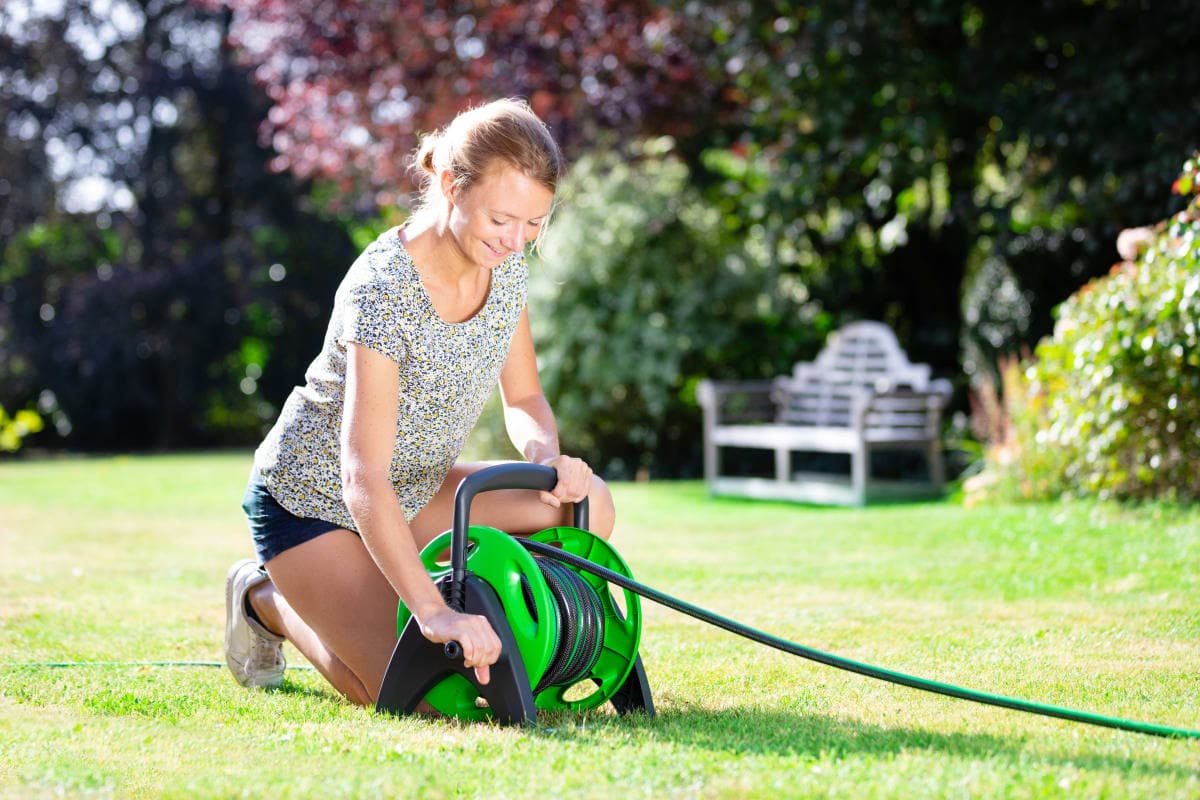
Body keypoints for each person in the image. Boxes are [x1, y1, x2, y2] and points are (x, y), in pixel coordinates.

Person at [225, 98, 614, 706]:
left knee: (588, 499)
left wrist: (546, 456)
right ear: (452, 187)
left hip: (415, 490)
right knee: (421, 697)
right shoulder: (383, 290)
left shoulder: (505, 269)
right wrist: (434, 615)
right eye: (502, 220)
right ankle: (264, 598)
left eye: (534, 224)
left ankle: (510, 627)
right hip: (314, 503)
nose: (516, 240)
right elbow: (363, 477)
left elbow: (526, 395)